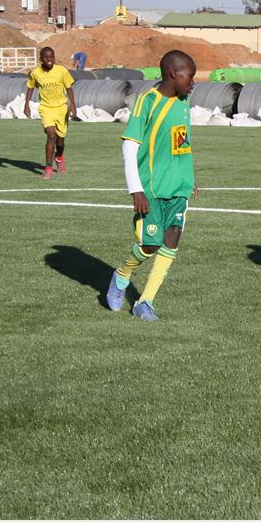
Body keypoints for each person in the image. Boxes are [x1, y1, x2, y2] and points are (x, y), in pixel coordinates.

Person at [105, 50, 198, 321]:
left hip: (178, 187)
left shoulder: (183, 101)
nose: (193, 82)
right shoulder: (147, 102)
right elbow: (129, 147)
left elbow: (180, 142)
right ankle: (122, 274)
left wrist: (188, 177)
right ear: (173, 74)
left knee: (173, 238)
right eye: (189, 76)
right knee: (150, 245)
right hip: (151, 189)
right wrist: (136, 189)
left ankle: (145, 302)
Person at [23, 47, 77, 180]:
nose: (49, 59)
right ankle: (48, 168)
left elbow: (69, 88)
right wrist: (26, 104)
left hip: (61, 108)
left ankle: (59, 157)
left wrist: (73, 105)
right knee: (51, 135)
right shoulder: (35, 73)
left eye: (51, 56)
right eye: (46, 57)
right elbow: (30, 87)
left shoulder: (62, 71)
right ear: (41, 59)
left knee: (60, 140)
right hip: (46, 108)